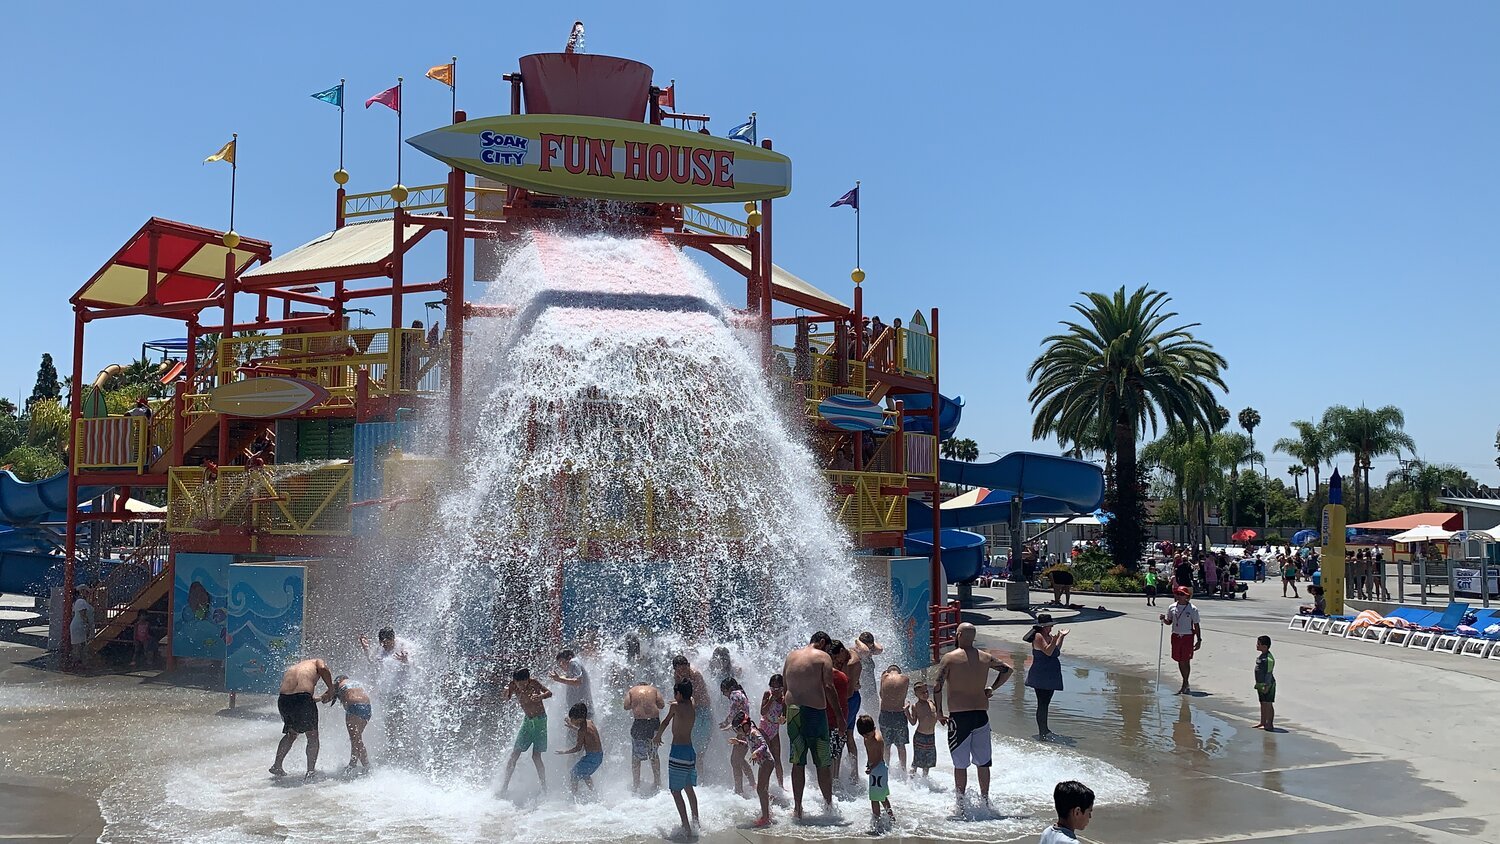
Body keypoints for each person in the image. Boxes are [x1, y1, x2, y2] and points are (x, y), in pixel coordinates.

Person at [934, 622, 1012, 810]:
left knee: (960, 765)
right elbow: (1007, 669)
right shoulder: (985, 657)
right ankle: (985, 800)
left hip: (960, 717)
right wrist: (992, 688)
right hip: (981, 715)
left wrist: (938, 712)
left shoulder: (949, 658)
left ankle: (960, 803)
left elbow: (938, 686)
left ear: (959, 635)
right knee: (983, 763)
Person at [781, 630, 837, 818]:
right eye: (828, 647)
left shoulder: (791, 656)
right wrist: (840, 716)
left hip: (793, 713)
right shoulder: (823, 657)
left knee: (798, 762)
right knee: (822, 761)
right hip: (814, 714)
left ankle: (797, 809)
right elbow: (829, 687)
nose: (829, 651)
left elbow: (785, 687)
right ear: (822, 642)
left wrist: (784, 712)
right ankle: (829, 807)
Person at [269, 657, 335, 779]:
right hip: (302, 699)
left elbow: (297, 691)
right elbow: (323, 668)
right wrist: (331, 689)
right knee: (312, 736)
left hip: (284, 699)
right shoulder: (317, 662)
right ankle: (310, 772)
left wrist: (317, 698)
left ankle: (277, 765)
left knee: (291, 734)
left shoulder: (294, 667)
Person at [359, 627, 416, 757]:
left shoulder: (404, 646)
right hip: (385, 691)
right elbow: (372, 661)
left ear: (393, 639)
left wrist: (406, 661)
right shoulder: (381, 648)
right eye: (382, 643)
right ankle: (392, 747)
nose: (384, 646)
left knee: (401, 720)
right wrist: (366, 649)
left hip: (401, 691)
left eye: (386, 643)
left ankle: (406, 748)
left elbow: (415, 664)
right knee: (388, 720)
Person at [654, 679, 701, 835]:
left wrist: (657, 736)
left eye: (676, 693)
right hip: (689, 751)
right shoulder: (692, 703)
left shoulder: (674, 707)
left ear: (679, 694)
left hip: (678, 752)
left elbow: (665, 722)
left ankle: (686, 827)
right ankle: (696, 822)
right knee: (688, 788)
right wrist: (678, 698)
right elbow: (689, 699)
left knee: (675, 791)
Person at [500, 668, 552, 795]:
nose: (522, 686)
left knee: (536, 756)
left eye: (524, 683)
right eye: (519, 684)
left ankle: (544, 788)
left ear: (528, 680)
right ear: (515, 681)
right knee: (514, 754)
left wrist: (540, 696)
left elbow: (549, 693)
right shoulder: (512, 685)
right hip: (527, 721)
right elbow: (506, 698)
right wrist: (505, 692)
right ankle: (504, 787)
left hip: (540, 721)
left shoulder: (534, 683)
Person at [1025, 614, 1067, 741]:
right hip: (1041, 673)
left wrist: (1061, 637)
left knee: (1046, 703)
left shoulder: (1048, 636)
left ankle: (1045, 730)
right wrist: (1054, 640)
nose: (1052, 627)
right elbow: (1048, 652)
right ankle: (1043, 732)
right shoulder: (1038, 636)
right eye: (1050, 625)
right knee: (1042, 703)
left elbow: (1055, 650)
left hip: (1050, 673)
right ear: (1044, 626)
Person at [730, 716, 776, 828]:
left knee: (760, 789)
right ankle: (768, 813)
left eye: (738, 729)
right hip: (763, 764)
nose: (738, 731)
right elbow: (749, 744)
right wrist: (738, 742)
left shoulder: (754, 732)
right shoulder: (748, 734)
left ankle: (766, 818)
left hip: (767, 762)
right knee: (762, 789)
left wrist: (757, 752)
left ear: (745, 726)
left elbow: (764, 745)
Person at [670, 655, 713, 773]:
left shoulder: (695, 675)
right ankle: (692, 772)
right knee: (690, 744)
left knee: (699, 749)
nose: (682, 672)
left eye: (684, 669)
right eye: (679, 670)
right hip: (691, 711)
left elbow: (696, 696)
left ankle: (699, 775)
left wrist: (680, 703)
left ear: (688, 666)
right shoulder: (677, 676)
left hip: (703, 711)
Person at [624, 678, 665, 793]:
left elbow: (626, 706)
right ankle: (657, 783)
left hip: (640, 723)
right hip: (654, 723)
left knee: (636, 757)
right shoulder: (654, 690)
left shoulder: (632, 691)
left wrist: (637, 704)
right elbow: (661, 705)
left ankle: (636, 785)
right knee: (654, 754)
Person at [1161, 587, 1203, 695]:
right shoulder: (1172, 607)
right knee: (1179, 660)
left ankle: (1185, 683)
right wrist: (1163, 619)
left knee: (1186, 660)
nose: (1179, 596)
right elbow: (1169, 622)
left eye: (1182, 594)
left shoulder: (1192, 609)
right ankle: (1185, 682)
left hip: (1187, 636)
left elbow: (1196, 625)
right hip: (1176, 635)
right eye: (1177, 594)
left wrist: (1199, 640)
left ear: (1187, 596)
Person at [856, 715, 895, 833]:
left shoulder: (878, 740)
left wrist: (871, 768)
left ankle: (876, 823)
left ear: (873, 729)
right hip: (876, 769)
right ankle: (891, 817)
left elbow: (878, 758)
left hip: (878, 770)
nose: (865, 738)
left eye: (867, 735)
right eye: (863, 735)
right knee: (882, 796)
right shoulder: (868, 735)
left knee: (874, 798)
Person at [556, 702, 603, 795]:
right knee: (585, 774)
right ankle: (594, 793)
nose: (570, 720)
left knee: (573, 774)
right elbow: (586, 733)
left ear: (579, 719)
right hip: (598, 756)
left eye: (572, 719)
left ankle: (574, 798)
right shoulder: (590, 722)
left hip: (592, 758)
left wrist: (564, 752)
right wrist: (572, 726)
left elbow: (578, 748)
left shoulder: (582, 730)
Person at [328, 674, 372, 773]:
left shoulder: (340, 684)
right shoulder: (356, 683)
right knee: (356, 738)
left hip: (354, 706)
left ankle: (367, 766)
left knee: (356, 739)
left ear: (338, 680)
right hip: (367, 707)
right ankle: (353, 764)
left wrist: (316, 698)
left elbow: (327, 697)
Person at [828, 640, 857, 784]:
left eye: (835, 658)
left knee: (843, 737)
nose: (834, 662)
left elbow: (850, 691)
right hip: (843, 701)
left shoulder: (852, 661)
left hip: (848, 701)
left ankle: (840, 777)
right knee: (841, 739)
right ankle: (836, 777)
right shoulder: (845, 661)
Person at [719, 677, 753, 795]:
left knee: (735, 761)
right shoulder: (741, 693)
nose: (724, 695)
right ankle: (753, 784)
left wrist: (725, 722)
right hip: (745, 729)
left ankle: (739, 790)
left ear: (729, 688)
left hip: (742, 731)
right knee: (739, 759)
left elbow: (733, 712)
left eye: (724, 691)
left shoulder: (734, 694)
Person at [877, 665, 910, 771]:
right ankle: (903, 770)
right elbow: (903, 695)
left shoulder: (884, 677)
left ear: (888, 671)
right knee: (901, 746)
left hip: (885, 714)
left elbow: (881, 695)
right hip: (899, 714)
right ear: (899, 671)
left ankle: (886, 768)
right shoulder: (905, 678)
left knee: (886, 745)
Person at [759, 673, 787, 788]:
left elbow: (784, 719)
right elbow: (763, 712)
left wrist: (783, 720)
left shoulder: (785, 699)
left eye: (778, 688)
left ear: (782, 688)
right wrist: (771, 700)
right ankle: (764, 785)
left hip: (775, 730)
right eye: (772, 687)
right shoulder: (767, 694)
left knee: (777, 759)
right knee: (766, 758)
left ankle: (781, 786)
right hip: (764, 727)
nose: (775, 690)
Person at [907, 680, 938, 777]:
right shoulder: (916, 706)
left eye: (926, 691)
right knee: (917, 761)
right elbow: (913, 722)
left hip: (931, 736)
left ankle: (925, 781)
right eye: (922, 693)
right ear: (916, 694)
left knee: (928, 762)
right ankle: (911, 780)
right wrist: (906, 711)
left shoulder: (931, 703)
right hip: (920, 736)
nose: (925, 694)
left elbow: (934, 716)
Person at [550, 649, 593, 716]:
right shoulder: (574, 663)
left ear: (569, 658)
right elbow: (568, 678)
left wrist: (559, 679)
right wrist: (557, 678)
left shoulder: (573, 663)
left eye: (561, 662)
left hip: (581, 711)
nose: (560, 665)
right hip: (581, 709)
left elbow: (578, 682)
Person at [852, 631, 883, 717]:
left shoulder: (868, 650)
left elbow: (880, 650)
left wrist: (872, 643)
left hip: (870, 686)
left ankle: (874, 723)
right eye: (869, 646)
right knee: (866, 706)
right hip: (861, 686)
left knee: (874, 706)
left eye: (871, 646)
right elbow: (865, 651)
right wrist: (857, 640)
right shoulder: (858, 650)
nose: (870, 649)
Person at [1253, 635, 1276, 731]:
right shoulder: (1262, 656)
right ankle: (1262, 722)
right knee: (1262, 703)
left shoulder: (1269, 659)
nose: (1256, 645)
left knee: (1268, 703)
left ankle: (1269, 724)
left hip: (1268, 684)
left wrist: (1267, 685)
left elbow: (1269, 673)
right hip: (1260, 683)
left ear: (1265, 646)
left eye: (1259, 644)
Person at [69, 585, 94, 666]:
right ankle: (77, 661)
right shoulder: (81, 601)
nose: (87, 594)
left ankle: (77, 661)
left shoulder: (80, 602)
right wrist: (87, 626)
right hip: (79, 626)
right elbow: (83, 615)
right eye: (86, 592)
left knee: (79, 645)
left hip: (78, 625)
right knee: (78, 645)